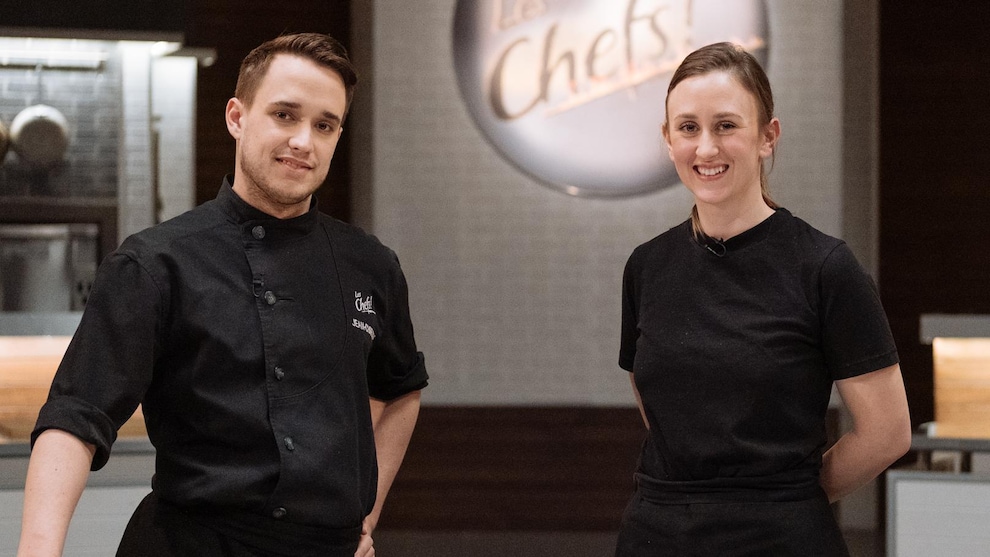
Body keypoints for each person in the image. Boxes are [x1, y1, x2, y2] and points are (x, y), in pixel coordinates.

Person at [17, 33, 428, 557]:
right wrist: (38, 550)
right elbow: (76, 416)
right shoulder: (156, 263)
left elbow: (399, 389)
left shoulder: (370, 264)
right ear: (237, 117)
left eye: (325, 125)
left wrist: (364, 518)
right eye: (284, 115)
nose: (304, 140)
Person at [615, 42, 911, 556]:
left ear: (767, 136)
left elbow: (888, 434)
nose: (706, 148)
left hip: (781, 538)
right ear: (668, 140)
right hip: (657, 534)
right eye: (688, 128)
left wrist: (785, 498)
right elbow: (659, 406)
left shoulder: (824, 267)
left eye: (726, 125)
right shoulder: (647, 265)